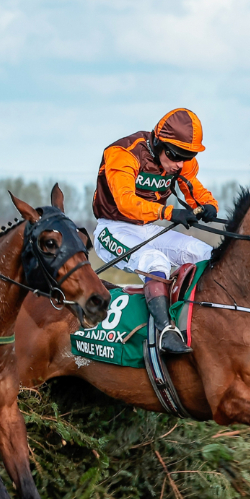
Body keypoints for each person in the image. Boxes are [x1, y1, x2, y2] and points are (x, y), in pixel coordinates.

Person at [91, 108, 219, 354]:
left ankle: (204, 322)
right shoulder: (122, 154)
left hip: (148, 228)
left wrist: (208, 205)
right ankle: (165, 333)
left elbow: (194, 191)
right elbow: (125, 203)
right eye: (176, 156)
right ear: (159, 142)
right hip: (113, 228)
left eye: (187, 156)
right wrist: (169, 213)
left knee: (204, 253)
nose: (180, 164)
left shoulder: (180, 163)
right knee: (154, 260)